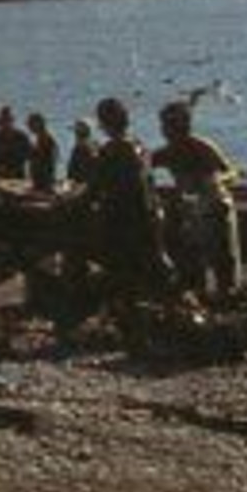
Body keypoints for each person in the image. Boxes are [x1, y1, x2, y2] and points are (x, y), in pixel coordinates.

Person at [87, 97, 170, 326]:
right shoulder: (139, 146)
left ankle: (126, 317)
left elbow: (94, 189)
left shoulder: (112, 150)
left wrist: (69, 202)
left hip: (124, 222)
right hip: (150, 216)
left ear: (104, 122)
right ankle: (157, 314)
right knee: (151, 270)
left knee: (120, 271)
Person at [151, 100, 241, 298]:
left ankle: (228, 297)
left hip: (215, 206)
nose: (165, 130)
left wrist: (215, 182)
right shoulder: (167, 152)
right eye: (165, 125)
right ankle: (197, 295)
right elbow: (143, 164)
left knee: (223, 262)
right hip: (190, 210)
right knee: (190, 259)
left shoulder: (202, 147)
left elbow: (232, 172)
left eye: (169, 125)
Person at [0, 105, 33, 181]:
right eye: (2, 122)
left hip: (18, 175)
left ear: (11, 122)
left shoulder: (22, 137)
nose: (4, 125)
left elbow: (31, 156)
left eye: (7, 121)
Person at [25, 111, 59, 193]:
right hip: (41, 181)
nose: (29, 127)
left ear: (38, 124)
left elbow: (44, 162)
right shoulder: (41, 138)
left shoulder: (45, 138)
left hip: (43, 182)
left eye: (31, 124)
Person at [65, 118, 99, 187]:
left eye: (76, 132)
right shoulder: (95, 146)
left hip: (81, 189)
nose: (75, 134)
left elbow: (72, 174)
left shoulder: (79, 149)